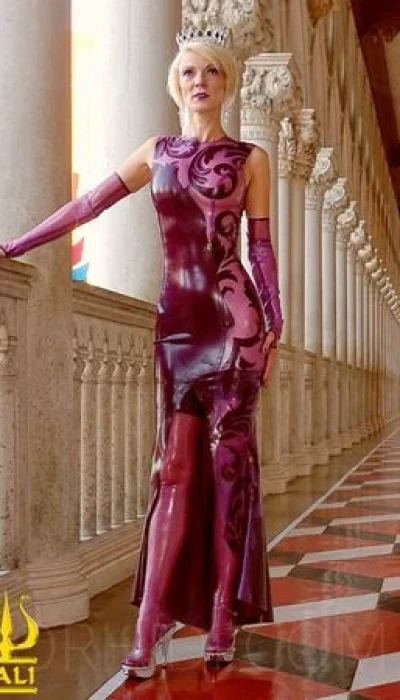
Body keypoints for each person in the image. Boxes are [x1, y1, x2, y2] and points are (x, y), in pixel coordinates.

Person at [0, 24, 283, 679]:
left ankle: (221, 615)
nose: (199, 81)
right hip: (177, 330)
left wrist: (275, 325)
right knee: (173, 473)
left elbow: (260, 248)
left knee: (230, 474)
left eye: (211, 71)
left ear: (227, 82)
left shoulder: (250, 158)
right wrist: (17, 243)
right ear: (175, 84)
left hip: (235, 326)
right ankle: (149, 621)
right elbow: (89, 204)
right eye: (188, 72)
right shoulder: (155, 151)